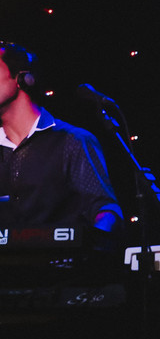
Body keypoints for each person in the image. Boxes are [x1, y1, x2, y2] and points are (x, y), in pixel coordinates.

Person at [0, 40, 122, 236]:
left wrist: (85, 250)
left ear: (23, 78)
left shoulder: (71, 140)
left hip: (58, 263)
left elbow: (105, 210)